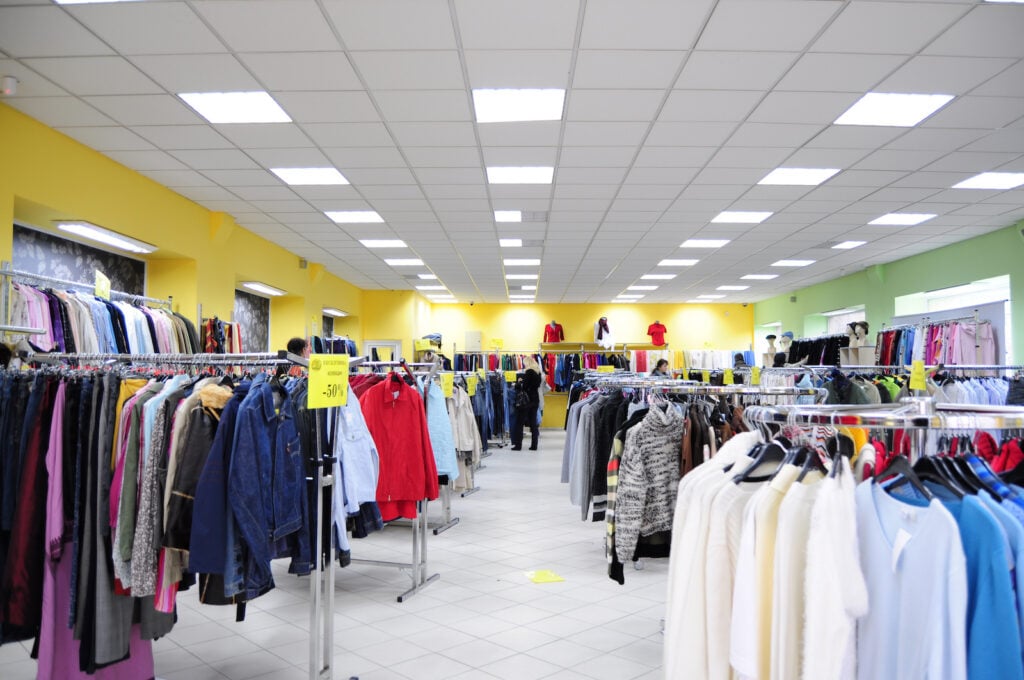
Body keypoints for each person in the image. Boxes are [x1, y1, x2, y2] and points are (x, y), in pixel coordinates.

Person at [511, 357, 542, 451]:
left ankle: (518, 445)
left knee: (519, 423)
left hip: (525, 400)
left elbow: (524, 387)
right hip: (535, 399)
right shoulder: (538, 373)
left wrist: (518, 383)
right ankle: (534, 445)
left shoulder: (529, 372)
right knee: (533, 424)